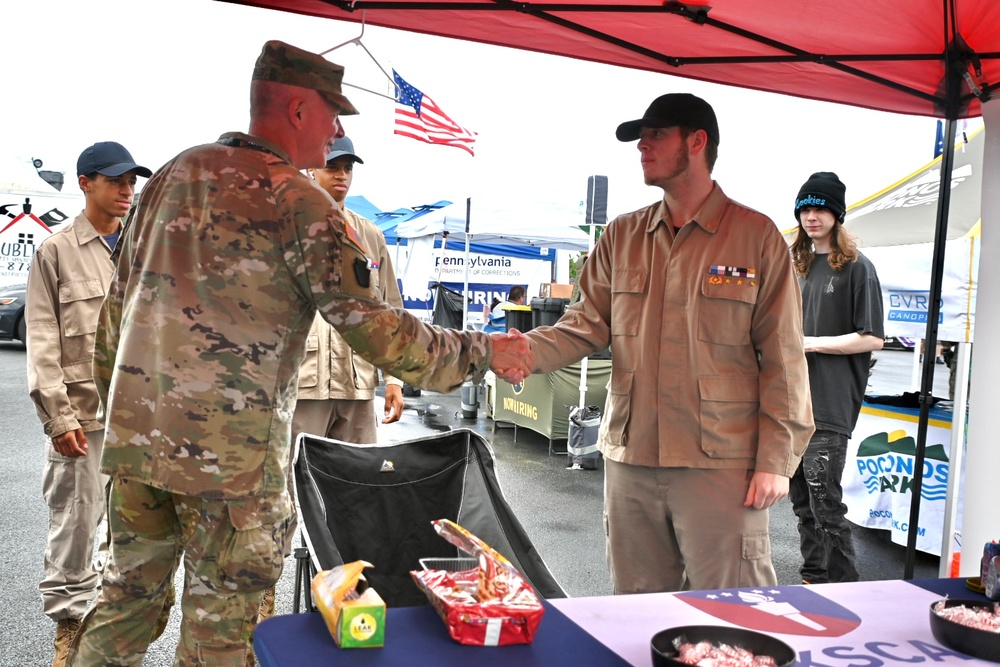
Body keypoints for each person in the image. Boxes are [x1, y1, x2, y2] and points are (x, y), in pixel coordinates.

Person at [69, 40, 531, 666]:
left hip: (139, 447)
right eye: (333, 113)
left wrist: (117, 415)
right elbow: (381, 333)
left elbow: (114, 315)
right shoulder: (300, 203)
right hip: (229, 466)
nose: (338, 130)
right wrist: (484, 350)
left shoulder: (174, 174)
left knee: (125, 602)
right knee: (222, 627)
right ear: (295, 110)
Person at [510, 93, 814, 594]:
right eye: (641, 138)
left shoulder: (755, 237)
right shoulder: (622, 235)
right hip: (633, 459)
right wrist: (521, 351)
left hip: (720, 463)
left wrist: (774, 462)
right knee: (637, 613)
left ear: (697, 142)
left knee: (732, 610)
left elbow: (783, 357)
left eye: (656, 135)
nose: (642, 147)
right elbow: (584, 325)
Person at [25, 142, 153, 667]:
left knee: (137, 541)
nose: (127, 190)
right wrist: (57, 416)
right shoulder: (55, 253)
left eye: (131, 182)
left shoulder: (142, 251)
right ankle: (69, 638)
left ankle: (114, 645)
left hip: (140, 424)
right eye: (116, 180)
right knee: (75, 535)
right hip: (83, 421)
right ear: (85, 183)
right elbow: (42, 342)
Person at [789, 171, 884, 584]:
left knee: (825, 501)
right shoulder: (797, 266)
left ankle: (846, 588)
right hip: (789, 402)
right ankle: (813, 578)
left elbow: (872, 338)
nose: (812, 216)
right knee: (800, 502)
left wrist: (810, 344)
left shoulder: (858, 269)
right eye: (805, 208)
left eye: (820, 207)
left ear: (837, 214)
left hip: (830, 403)